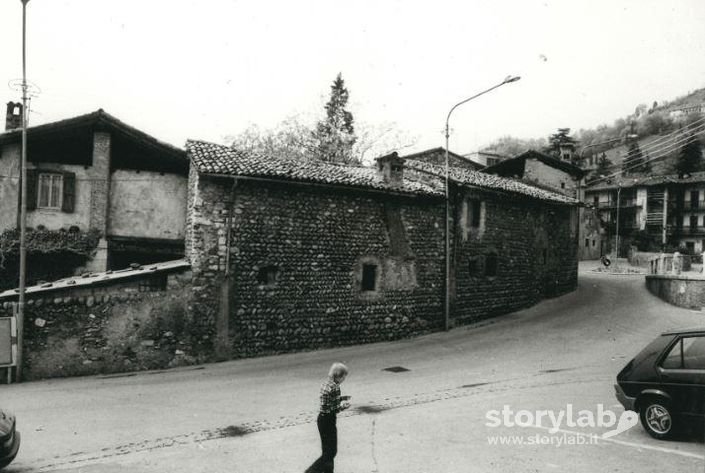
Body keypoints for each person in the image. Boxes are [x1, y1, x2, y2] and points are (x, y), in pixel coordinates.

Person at [305, 362, 350, 473]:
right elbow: (334, 408)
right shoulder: (335, 388)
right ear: (339, 376)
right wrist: (344, 406)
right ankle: (311, 471)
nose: (344, 379)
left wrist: (342, 398)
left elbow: (328, 401)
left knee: (327, 450)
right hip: (329, 420)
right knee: (331, 452)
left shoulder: (326, 384)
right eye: (344, 376)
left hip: (321, 419)